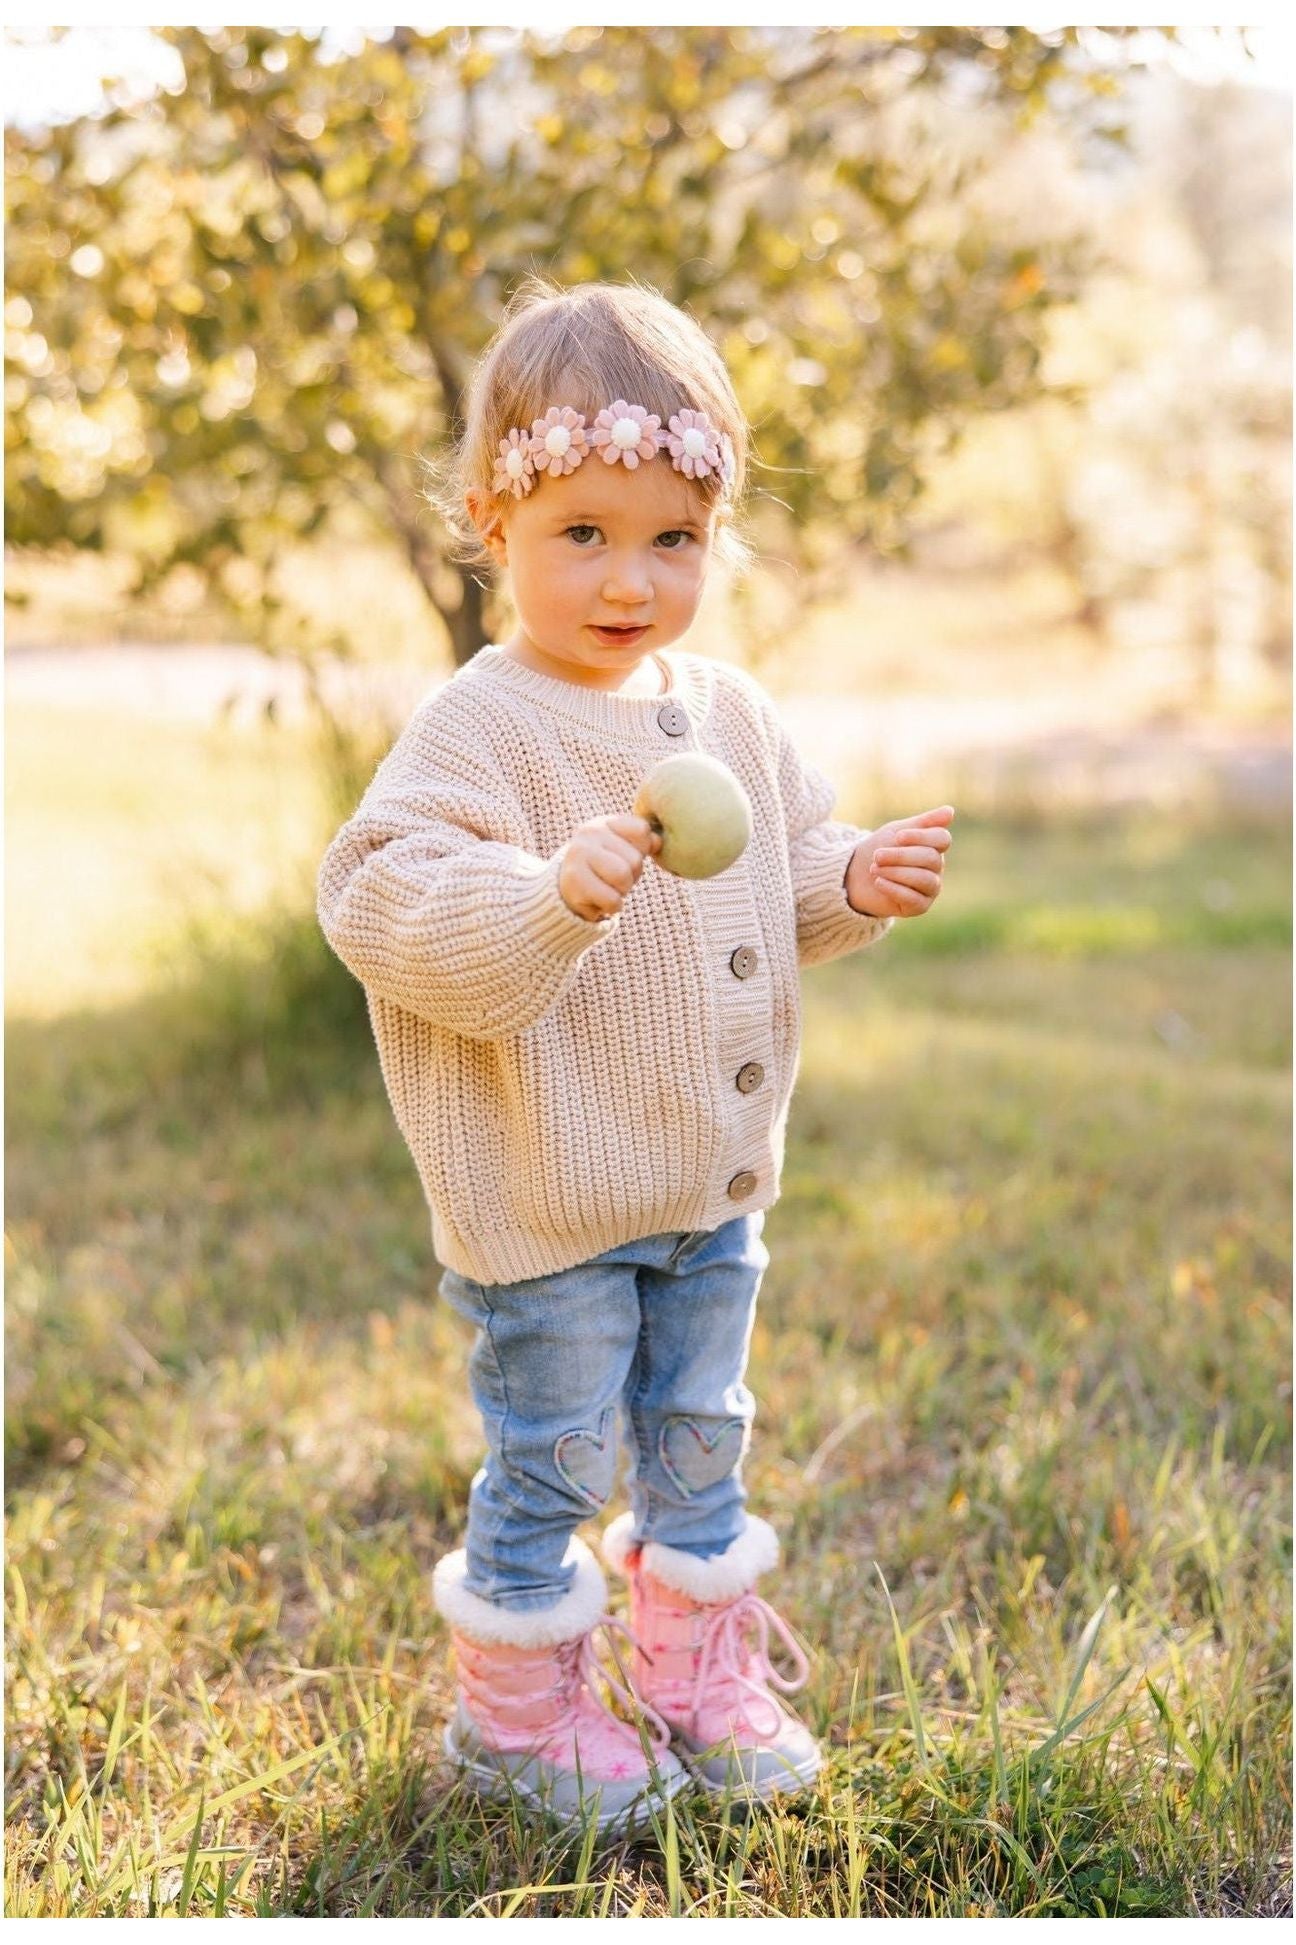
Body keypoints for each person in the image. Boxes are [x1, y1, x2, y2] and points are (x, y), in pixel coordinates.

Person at [316, 277, 953, 1837]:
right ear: (494, 522)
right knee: (555, 1448)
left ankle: (688, 1666)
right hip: (553, 1202)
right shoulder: (485, 727)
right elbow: (379, 890)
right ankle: (517, 1708)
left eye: (671, 538)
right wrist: (547, 895)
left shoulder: (727, 711)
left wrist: (847, 879)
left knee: (696, 1431)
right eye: (582, 533)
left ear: (717, 535)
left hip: (707, 1191)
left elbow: (775, 869)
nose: (628, 579)